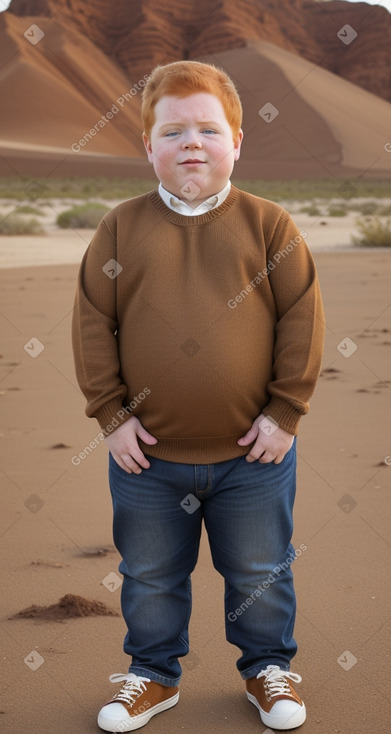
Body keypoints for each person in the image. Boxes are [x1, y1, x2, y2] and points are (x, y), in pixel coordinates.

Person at [72, 60, 325, 733]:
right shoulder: (120, 229)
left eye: (209, 130)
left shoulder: (270, 227)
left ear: (237, 143)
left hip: (255, 456)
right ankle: (152, 675)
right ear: (146, 146)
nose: (191, 143)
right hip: (146, 458)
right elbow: (93, 325)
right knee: (150, 574)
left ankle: (266, 670)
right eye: (173, 130)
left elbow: (300, 321)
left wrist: (285, 413)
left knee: (259, 573)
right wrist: (111, 416)